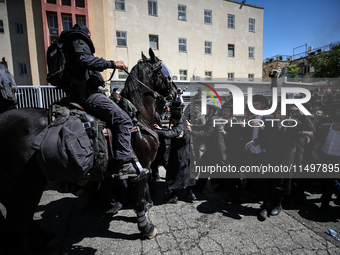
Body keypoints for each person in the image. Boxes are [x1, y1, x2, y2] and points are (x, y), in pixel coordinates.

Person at [63, 24, 147, 181]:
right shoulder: (78, 39)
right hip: (87, 93)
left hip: (77, 92)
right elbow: (85, 59)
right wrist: (113, 64)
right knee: (123, 120)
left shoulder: (67, 44)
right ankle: (125, 163)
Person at [154, 110, 196, 203]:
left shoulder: (179, 128)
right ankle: (190, 193)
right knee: (187, 174)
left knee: (174, 174)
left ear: (173, 119)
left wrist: (154, 131)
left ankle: (174, 196)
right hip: (187, 154)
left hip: (179, 155)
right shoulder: (183, 124)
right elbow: (171, 131)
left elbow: (168, 134)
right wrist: (161, 129)